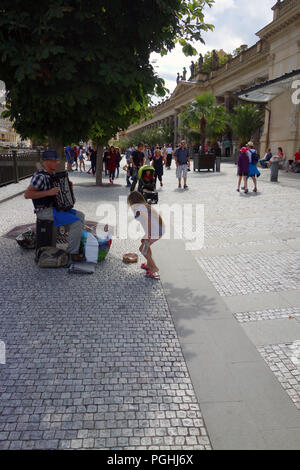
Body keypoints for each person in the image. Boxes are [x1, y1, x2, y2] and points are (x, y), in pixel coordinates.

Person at [24, 149, 85, 262]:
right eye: (55, 160)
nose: (57, 163)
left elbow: (60, 195)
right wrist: (49, 192)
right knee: (76, 222)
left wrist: (69, 188)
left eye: (57, 160)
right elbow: (27, 194)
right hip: (45, 211)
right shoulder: (40, 176)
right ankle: (72, 253)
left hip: (55, 208)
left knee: (80, 215)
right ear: (46, 162)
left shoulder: (52, 175)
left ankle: (76, 245)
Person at [128, 191, 164, 280]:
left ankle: (154, 268)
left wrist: (147, 235)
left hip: (154, 232)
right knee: (145, 246)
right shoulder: (144, 206)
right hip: (157, 230)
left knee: (143, 249)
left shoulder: (139, 209)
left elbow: (148, 220)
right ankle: (149, 264)